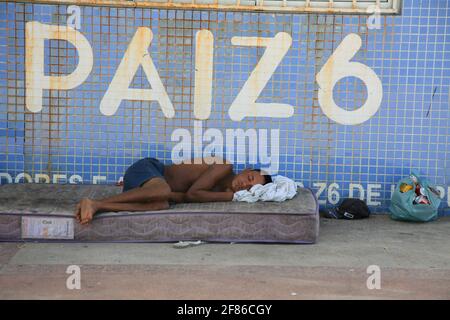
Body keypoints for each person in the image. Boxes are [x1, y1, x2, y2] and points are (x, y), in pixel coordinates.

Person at [75, 157, 272, 224]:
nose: (245, 185)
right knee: (161, 191)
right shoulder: (224, 166)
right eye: (249, 178)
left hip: (151, 187)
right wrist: (233, 196)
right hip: (149, 169)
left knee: (161, 203)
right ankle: (93, 202)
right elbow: (193, 194)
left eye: (250, 188)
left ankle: (98, 205)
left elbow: (178, 197)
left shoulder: (218, 193)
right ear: (246, 170)